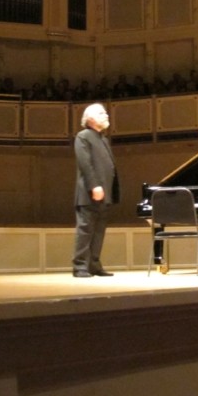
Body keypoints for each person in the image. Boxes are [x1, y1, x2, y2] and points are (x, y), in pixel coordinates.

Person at [72, 103, 120, 278]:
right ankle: (79, 267)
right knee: (85, 230)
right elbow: (85, 164)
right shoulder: (83, 136)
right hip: (89, 193)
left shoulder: (103, 139)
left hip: (104, 193)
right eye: (102, 113)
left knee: (99, 231)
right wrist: (95, 186)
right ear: (90, 118)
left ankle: (94, 264)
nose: (106, 115)